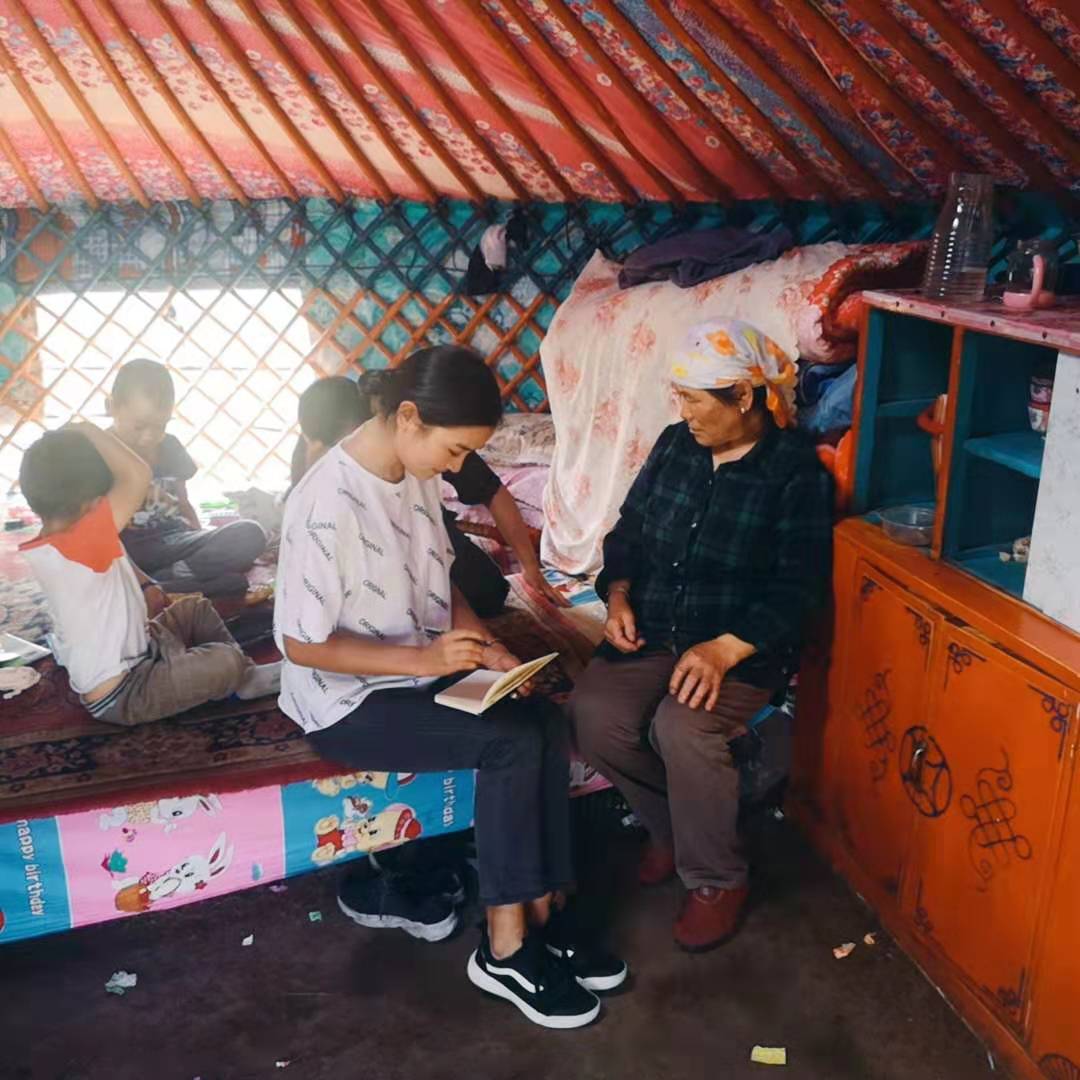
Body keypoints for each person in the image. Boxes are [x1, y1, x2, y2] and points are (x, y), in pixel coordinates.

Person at [274, 345, 625, 1028]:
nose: (459, 465)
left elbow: (441, 582)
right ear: (409, 417)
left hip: (416, 666)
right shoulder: (324, 503)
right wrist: (429, 660)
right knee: (509, 744)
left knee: (542, 721)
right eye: (456, 449)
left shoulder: (412, 470)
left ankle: (545, 907)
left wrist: (486, 646)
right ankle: (505, 947)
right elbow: (301, 645)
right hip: (346, 699)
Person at [568, 318, 833, 953]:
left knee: (682, 726)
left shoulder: (794, 472)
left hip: (738, 647)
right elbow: (630, 531)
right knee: (592, 714)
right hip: (654, 627)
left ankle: (717, 878)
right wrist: (618, 594)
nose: (682, 412)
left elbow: (799, 586)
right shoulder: (675, 446)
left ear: (742, 396)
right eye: (679, 398)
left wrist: (725, 648)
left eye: (693, 400)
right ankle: (675, 831)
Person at [18, 423, 281, 726]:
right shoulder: (80, 540)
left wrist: (146, 585)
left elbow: (121, 557)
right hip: (126, 691)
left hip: (143, 648)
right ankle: (240, 676)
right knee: (226, 661)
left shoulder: (59, 542)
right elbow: (138, 475)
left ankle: (241, 676)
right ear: (90, 502)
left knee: (194, 609)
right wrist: (84, 427)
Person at [291, 370, 567, 615]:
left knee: (486, 593)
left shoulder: (426, 435)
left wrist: (530, 567)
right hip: (362, 545)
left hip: (424, 532)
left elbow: (492, 491)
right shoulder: (320, 464)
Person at [108, 358, 267, 596]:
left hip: (177, 539)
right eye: (139, 426)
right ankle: (173, 582)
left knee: (250, 533)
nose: (149, 437)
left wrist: (200, 535)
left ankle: (167, 581)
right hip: (133, 549)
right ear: (111, 407)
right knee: (232, 583)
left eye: (160, 426)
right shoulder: (102, 453)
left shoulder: (170, 446)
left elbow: (182, 501)